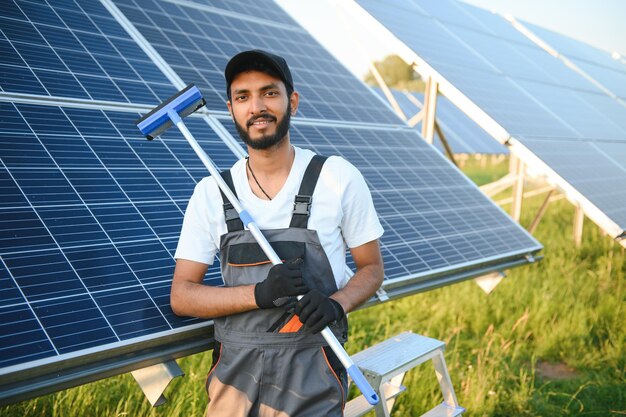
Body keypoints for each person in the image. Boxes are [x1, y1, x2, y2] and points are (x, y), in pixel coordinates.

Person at [170, 49, 384, 417]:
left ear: (293, 102)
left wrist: (338, 303)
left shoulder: (336, 177)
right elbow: (183, 296)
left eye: (269, 92)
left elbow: (372, 269)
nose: (257, 106)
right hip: (233, 380)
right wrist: (259, 293)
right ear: (232, 109)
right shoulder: (212, 192)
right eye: (243, 97)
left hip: (312, 371)